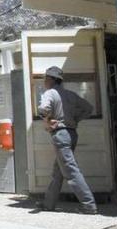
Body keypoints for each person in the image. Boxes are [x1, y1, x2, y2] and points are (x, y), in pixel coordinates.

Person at [35, 66, 98, 214]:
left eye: (45, 79)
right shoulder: (70, 94)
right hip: (72, 134)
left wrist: (47, 119)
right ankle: (48, 204)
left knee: (70, 171)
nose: (45, 81)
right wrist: (75, 119)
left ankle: (89, 205)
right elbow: (88, 108)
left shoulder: (50, 93)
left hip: (60, 135)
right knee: (58, 171)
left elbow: (43, 109)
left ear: (50, 79)